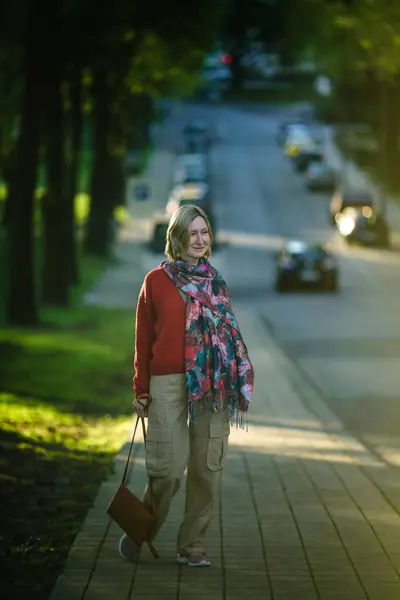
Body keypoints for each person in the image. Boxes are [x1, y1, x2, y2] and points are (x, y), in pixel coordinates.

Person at [119, 204, 254, 567]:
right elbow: (143, 339)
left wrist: (234, 373)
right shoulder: (156, 281)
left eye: (204, 232)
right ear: (177, 238)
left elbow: (228, 334)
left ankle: (192, 545)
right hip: (167, 383)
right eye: (191, 233)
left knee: (207, 468)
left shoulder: (217, 282)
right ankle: (141, 527)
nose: (199, 239)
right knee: (167, 469)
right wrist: (141, 389)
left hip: (212, 385)